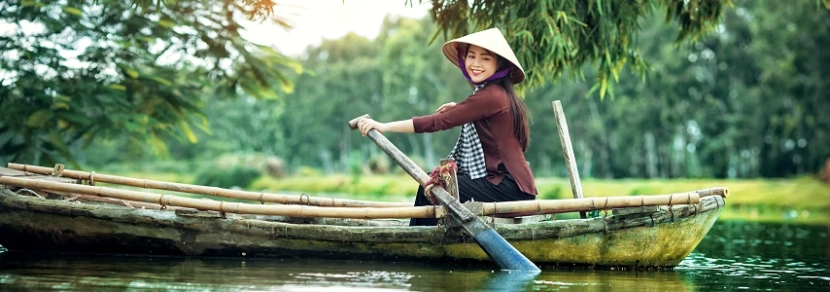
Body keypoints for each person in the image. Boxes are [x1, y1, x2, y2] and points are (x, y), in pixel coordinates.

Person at [355, 28, 537, 226]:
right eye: (471, 56)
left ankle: (418, 242)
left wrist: (383, 126)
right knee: (434, 187)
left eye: (485, 58)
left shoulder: (492, 95)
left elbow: (438, 122)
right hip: (509, 185)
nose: (476, 64)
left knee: (432, 188)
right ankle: (427, 237)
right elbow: (475, 111)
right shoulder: (495, 94)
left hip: (510, 189)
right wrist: (460, 108)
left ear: (499, 64)